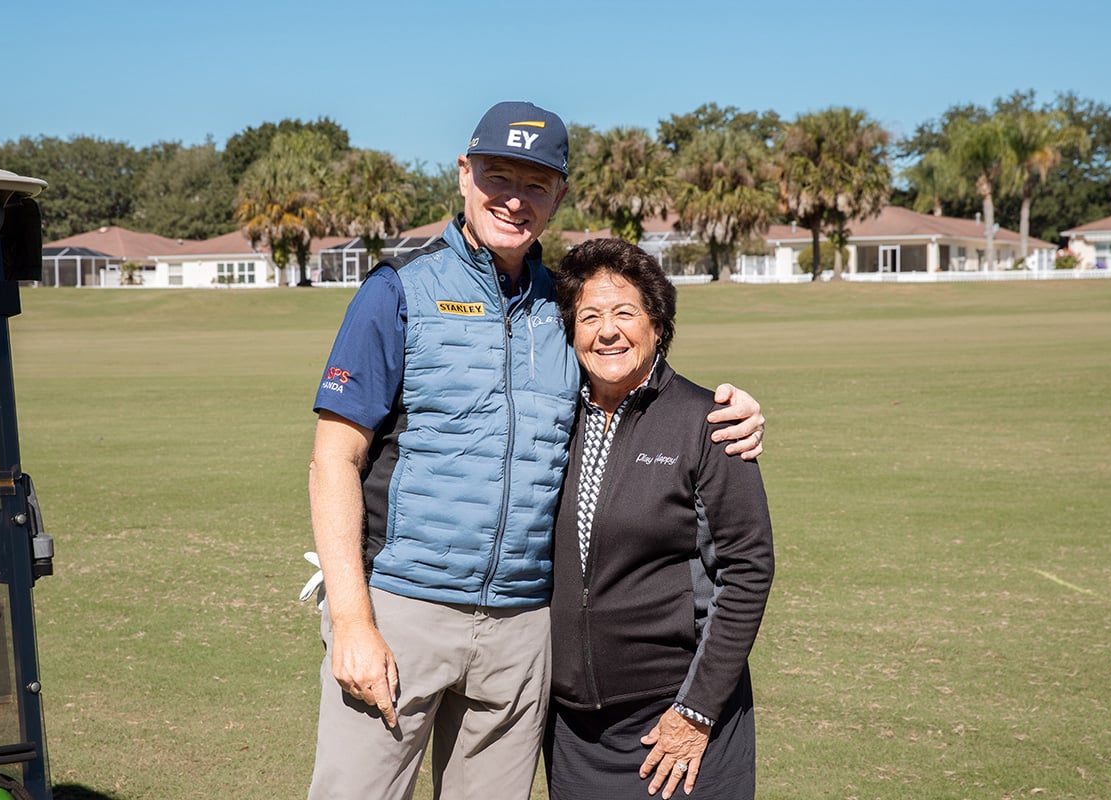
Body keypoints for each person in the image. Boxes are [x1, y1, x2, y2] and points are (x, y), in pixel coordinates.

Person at [306, 101, 765, 800]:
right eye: (498, 176)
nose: (514, 200)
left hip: (522, 632)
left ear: (559, 195)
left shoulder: (563, 306)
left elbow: (634, 386)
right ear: (465, 174)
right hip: (403, 610)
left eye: (536, 184)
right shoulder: (398, 290)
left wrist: (730, 411)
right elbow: (333, 459)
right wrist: (351, 620)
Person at [545, 238, 774, 800]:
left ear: (657, 323)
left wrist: (695, 711)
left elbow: (747, 571)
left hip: (680, 720)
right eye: (589, 317)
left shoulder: (708, 423)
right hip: (574, 731)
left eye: (625, 313)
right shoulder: (548, 420)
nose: (607, 332)